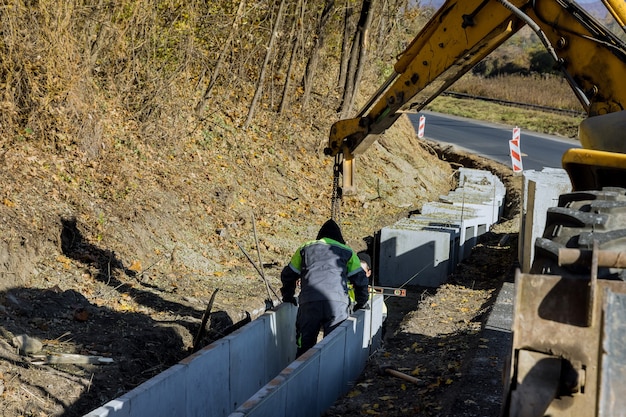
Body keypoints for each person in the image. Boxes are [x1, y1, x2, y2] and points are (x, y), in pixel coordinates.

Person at [280, 219, 369, 357]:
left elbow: (288, 274)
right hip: (337, 304)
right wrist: (361, 302)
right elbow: (361, 280)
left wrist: (288, 296)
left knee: (305, 345)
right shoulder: (348, 252)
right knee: (334, 346)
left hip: (309, 302)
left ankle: (302, 376)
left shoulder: (305, 248)